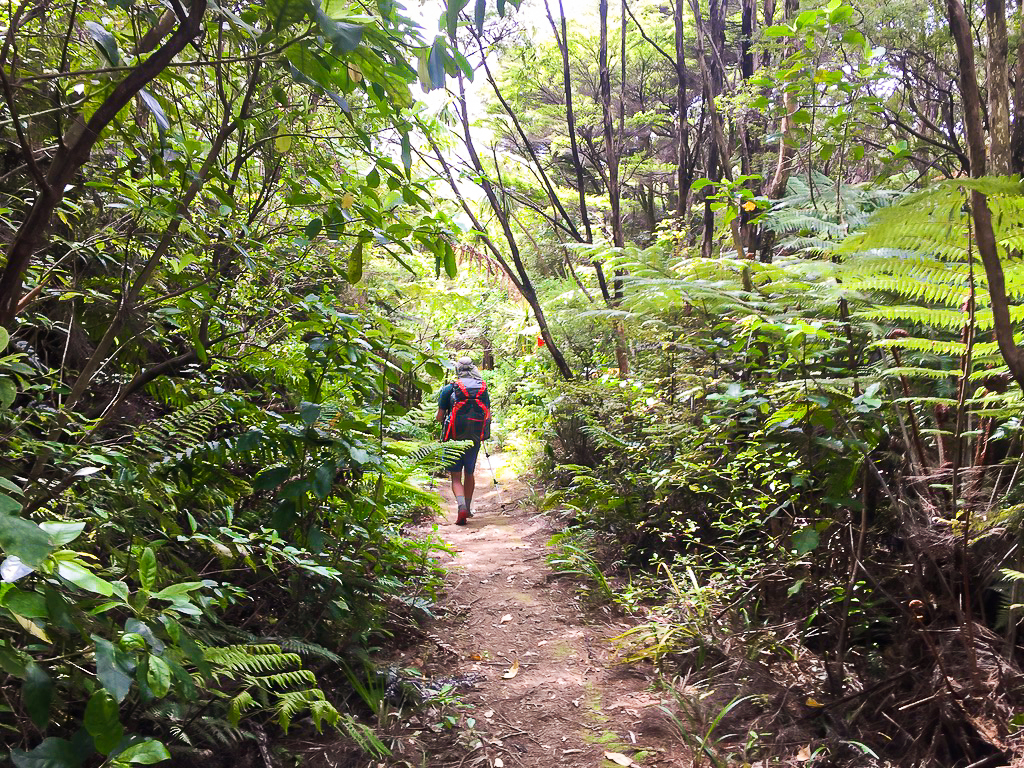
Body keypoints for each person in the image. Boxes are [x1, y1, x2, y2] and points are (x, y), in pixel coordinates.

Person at [436, 356, 491, 526]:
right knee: (469, 472)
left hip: (453, 437)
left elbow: (439, 417)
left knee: (455, 477)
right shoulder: (482, 388)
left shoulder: (449, 389)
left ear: (457, 370)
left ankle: (461, 508)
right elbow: (488, 413)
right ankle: (468, 506)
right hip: (474, 437)